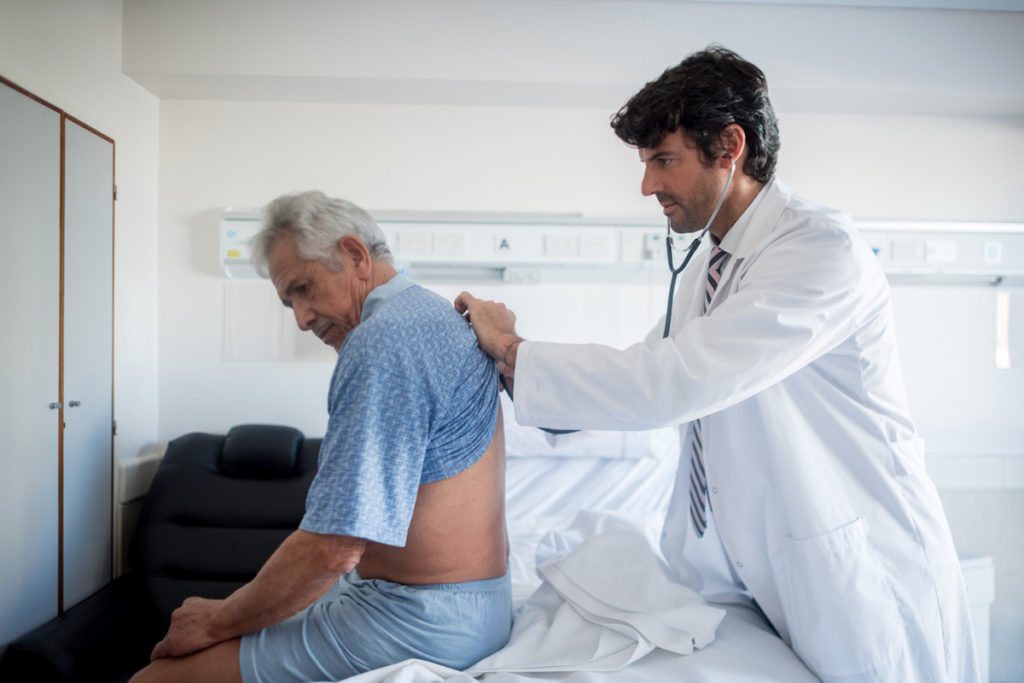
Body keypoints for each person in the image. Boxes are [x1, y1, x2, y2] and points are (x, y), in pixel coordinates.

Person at [455, 46, 978, 683]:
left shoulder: (820, 251)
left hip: (860, 570)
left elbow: (677, 381)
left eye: (663, 160)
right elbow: (647, 370)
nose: (647, 186)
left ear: (729, 146)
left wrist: (517, 353)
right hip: (759, 571)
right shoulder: (712, 265)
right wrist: (514, 371)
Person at [132, 191, 512, 683]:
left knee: (154, 679)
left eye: (304, 289)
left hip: (420, 621)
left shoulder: (383, 341)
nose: (302, 318)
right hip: (474, 610)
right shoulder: (432, 314)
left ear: (355, 256)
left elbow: (332, 549)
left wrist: (216, 621)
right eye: (290, 301)